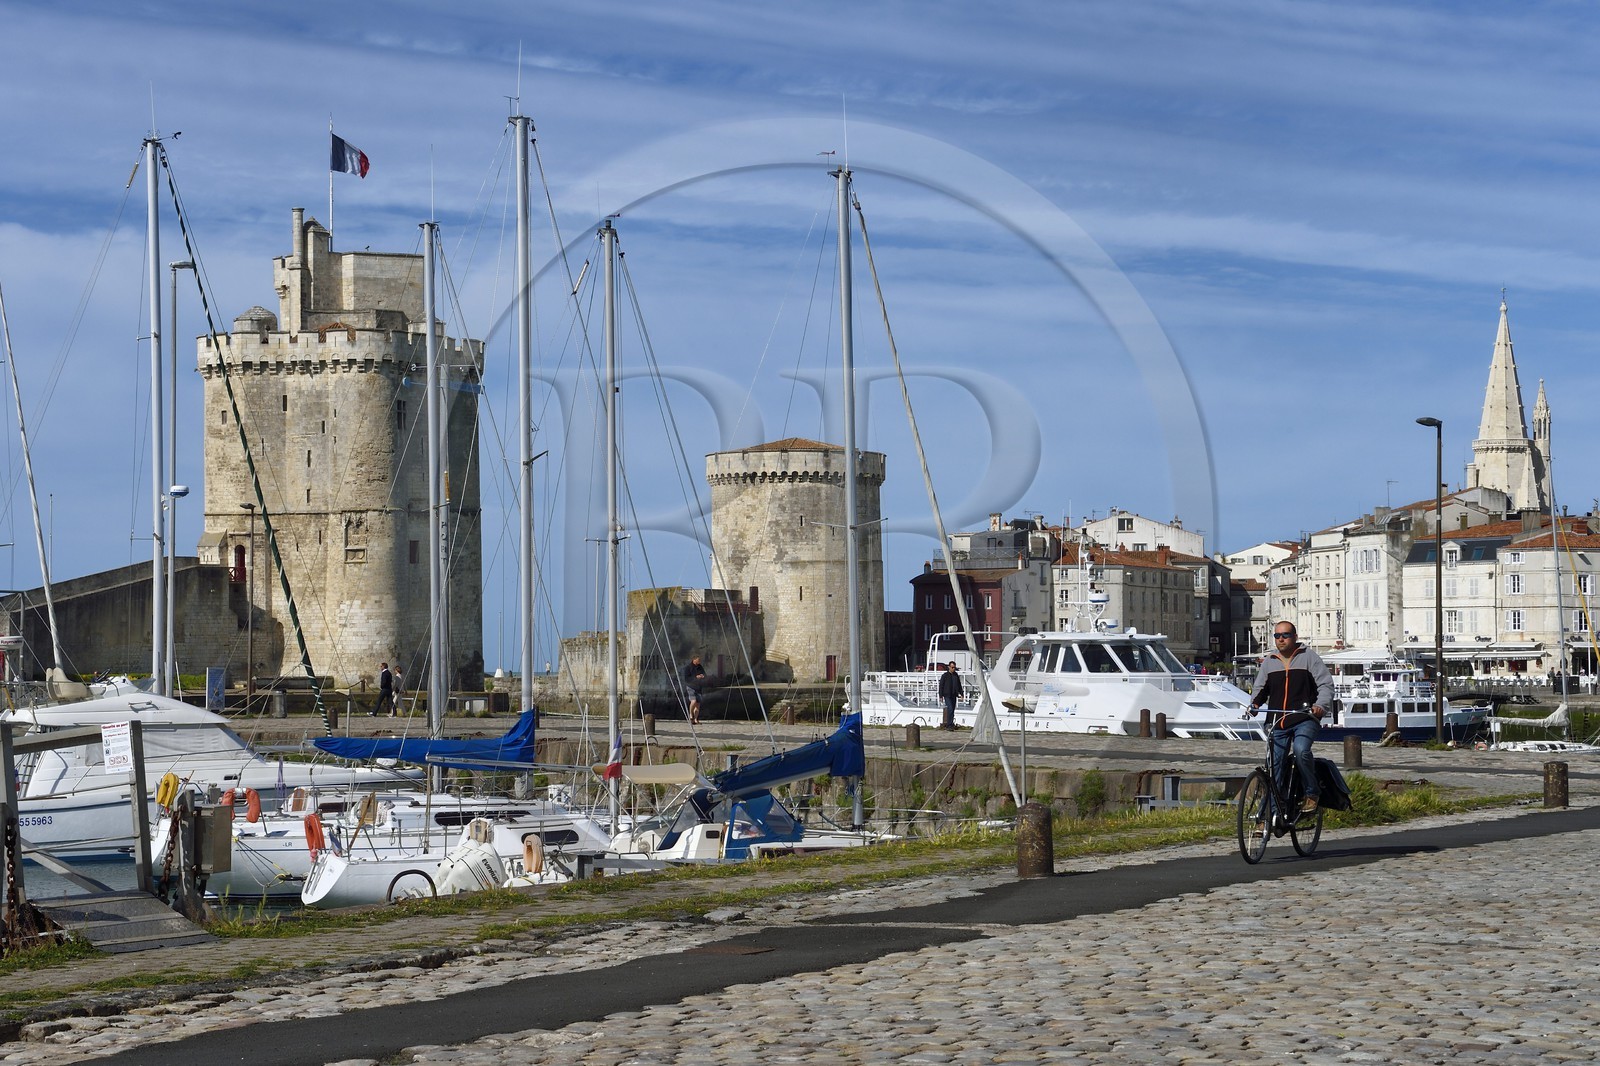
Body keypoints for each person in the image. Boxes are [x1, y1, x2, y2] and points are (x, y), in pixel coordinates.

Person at [1248, 622, 1334, 813]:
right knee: (1274, 767)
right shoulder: (1270, 661)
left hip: (1304, 718)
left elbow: (1326, 685)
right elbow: (1260, 689)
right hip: (1278, 720)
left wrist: (1320, 706)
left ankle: (1312, 793)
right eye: (1277, 636)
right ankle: (1271, 815)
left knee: (1301, 750)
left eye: (1285, 635)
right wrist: (1254, 704)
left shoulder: (1309, 657)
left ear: (1295, 637)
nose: (1281, 639)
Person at [937, 661, 963, 730]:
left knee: (952, 710)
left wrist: (962, 694)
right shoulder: (945, 675)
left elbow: (959, 685)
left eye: (954, 667)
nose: (953, 669)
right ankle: (949, 724)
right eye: (952, 667)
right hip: (947, 695)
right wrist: (940, 695)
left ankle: (951, 724)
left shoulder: (956, 675)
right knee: (950, 709)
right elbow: (941, 686)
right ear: (949, 667)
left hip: (954, 695)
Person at [683, 656, 707, 725]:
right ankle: (691, 715)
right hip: (691, 686)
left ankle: (696, 719)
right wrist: (696, 677)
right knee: (693, 701)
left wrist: (703, 676)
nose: (699, 661)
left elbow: (705, 675)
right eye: (698, 660)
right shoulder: (688, 668)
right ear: (694, 659)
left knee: (698, 704)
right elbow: (687, 679)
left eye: (700, 660)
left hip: (699, 687)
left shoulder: (700, 667)